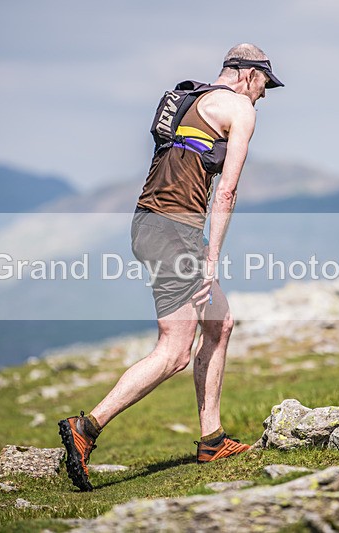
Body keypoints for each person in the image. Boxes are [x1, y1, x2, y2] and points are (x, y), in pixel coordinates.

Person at [58, 43, 284, 491]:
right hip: (175, 231)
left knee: (220, 324)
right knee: (175, 350)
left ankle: (211, 439)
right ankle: (86, 429)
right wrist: (211, 259)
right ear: (246, 73)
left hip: (149, 223)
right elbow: (227, 192)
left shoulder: (189, 100)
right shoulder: (239, 107)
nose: (264, 95)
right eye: (264, 84)